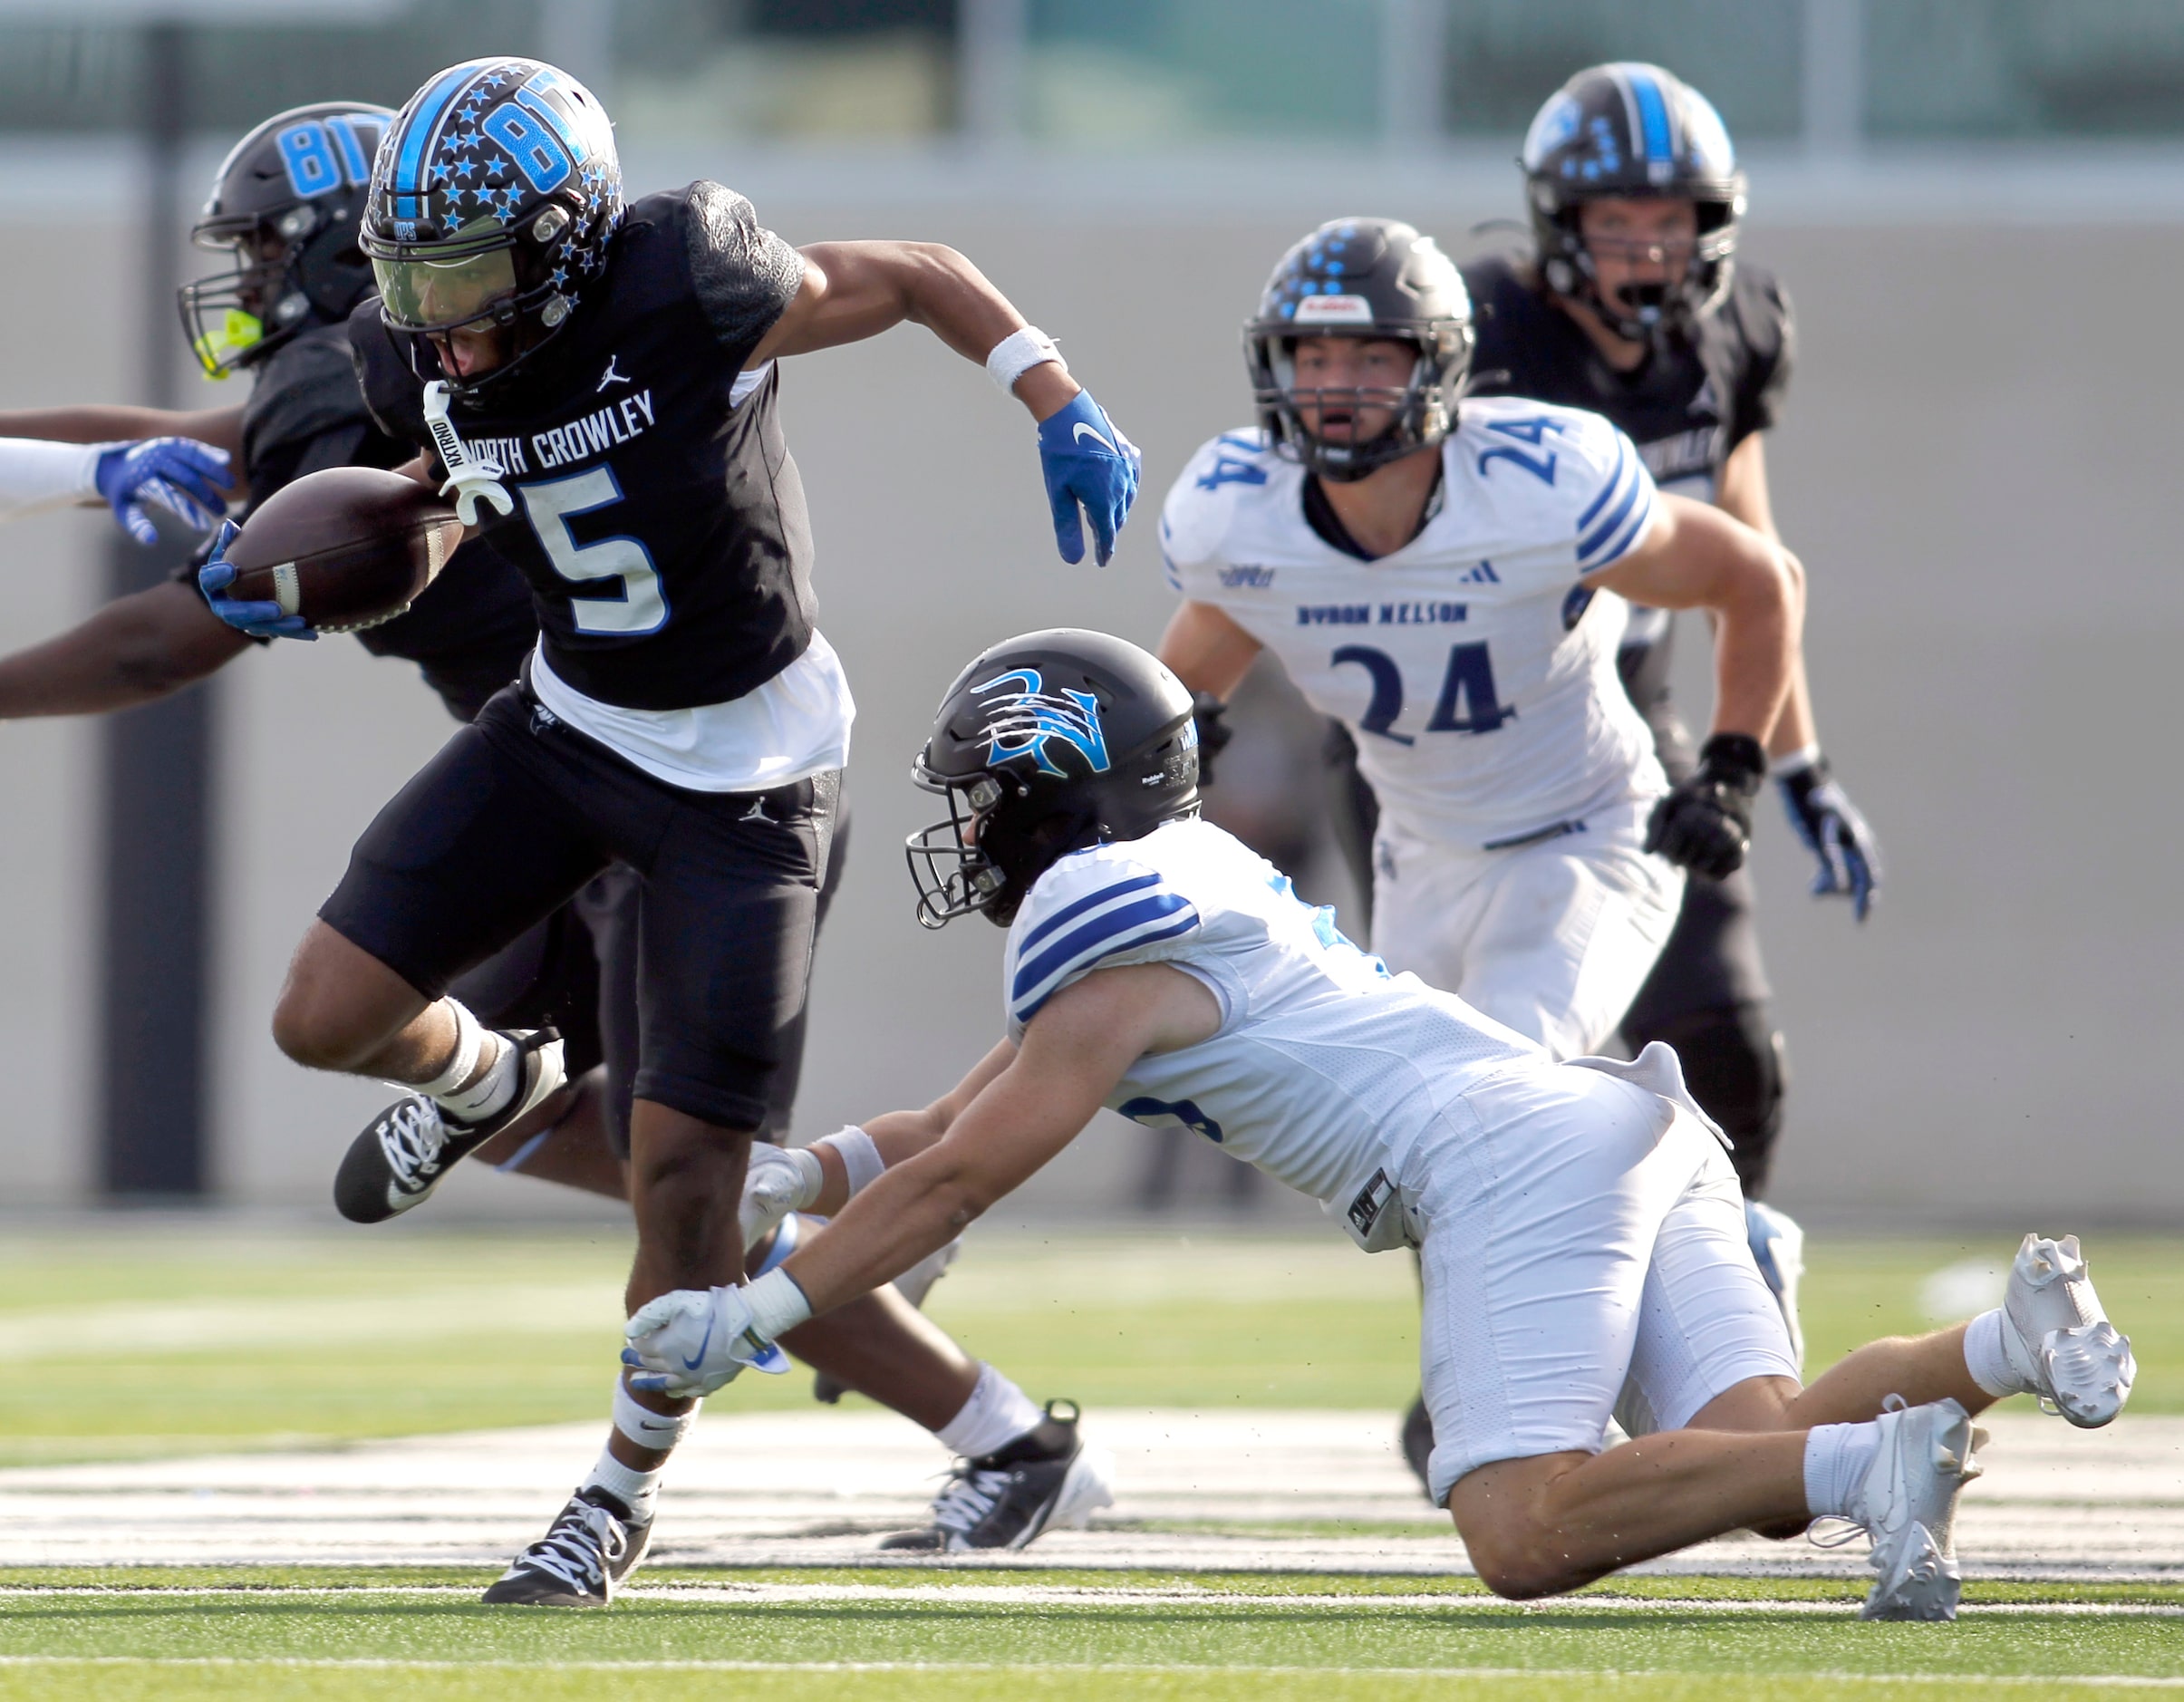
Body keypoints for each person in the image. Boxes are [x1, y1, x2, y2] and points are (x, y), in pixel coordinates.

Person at [0, 96, 1099, 1571]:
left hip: (735, 776)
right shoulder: (397, 352)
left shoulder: (671, 283)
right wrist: (75, 471)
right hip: (564, 744)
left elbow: (186, 592)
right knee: (422, 1061)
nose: (257, 286)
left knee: (681, 1183)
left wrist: (1049, 389)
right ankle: (888, 1324)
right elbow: (284, 448)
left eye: (269, 251)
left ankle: (781, 1428)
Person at [634, 628, 2137, 1620]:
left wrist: (757, 1308)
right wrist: (803, 1168)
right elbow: (952, 1115)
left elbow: (964, 1173)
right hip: (1607, 1120)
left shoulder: (1098, 919)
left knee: (1521, 1531)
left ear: (1051, 793)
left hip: (1507, 1160)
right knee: (1742, 1449)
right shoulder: (1179, 891)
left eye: (980, 792)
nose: (962, 827)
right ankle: (1998, 1347)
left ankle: (1877, 1474)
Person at [1334, 65, 1880, 1395]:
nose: (1650, 251)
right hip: (1455, 730)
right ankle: (1480, 1361)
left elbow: (1748, 541)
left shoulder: (1736, 326)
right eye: (1619, 221)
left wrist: (1790, 757)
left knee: (1727, 1044)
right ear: (1556, 221)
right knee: (1470, 1077)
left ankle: (1705, 1340)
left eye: (1672, 222)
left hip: (1626, 720)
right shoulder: (1477, 327)